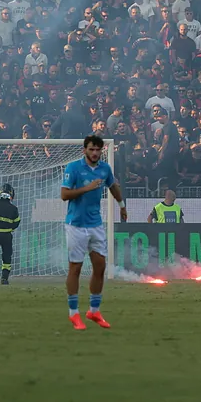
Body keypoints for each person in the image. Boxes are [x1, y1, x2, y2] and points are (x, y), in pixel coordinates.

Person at [60, 135, 126, 329]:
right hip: (76, 225)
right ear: (85, 150)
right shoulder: (73, 168)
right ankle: (73, 314)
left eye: (98, 150)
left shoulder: (105, 169)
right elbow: (64, 195)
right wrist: (86, 188)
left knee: (100, 266)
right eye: (91, 149)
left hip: (96, 224)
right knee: (76, 268)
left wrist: (121, 205)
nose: (95, 153)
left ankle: (94, 311)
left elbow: (113, 186)